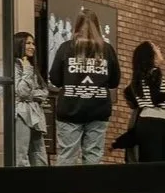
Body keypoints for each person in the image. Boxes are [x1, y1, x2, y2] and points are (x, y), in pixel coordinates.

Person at [48, 10, 119, 166]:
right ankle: (92, 189)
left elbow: (55, 79)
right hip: (98, 109)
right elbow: (114, 82)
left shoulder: (66, 47)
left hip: (70, 109)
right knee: (93, 155)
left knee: (67, 155)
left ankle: (66, 189)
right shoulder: (107, 50)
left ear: (76, 26)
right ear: (98, 26)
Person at [119, 41, 165, 162]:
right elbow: (157, 99)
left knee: (145, 162)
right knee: (160, 162)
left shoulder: (137, 78)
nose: (159, 49)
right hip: (157, 122)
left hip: (143, 122)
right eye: (156, 48)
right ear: (151, 54)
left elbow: (130, 97)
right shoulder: (155, 73)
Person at [11, 30, 50, 167]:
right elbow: (21, 91)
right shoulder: (13, 66)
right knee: (21, 154)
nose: (32, 46)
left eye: (33, 43)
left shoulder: (32, 67)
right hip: (21, 114)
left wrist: (30, 94)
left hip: (35, 114)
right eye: (28, 43)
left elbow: (44, 92)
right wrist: (27, 70)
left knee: (39, 155)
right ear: (19, 44)